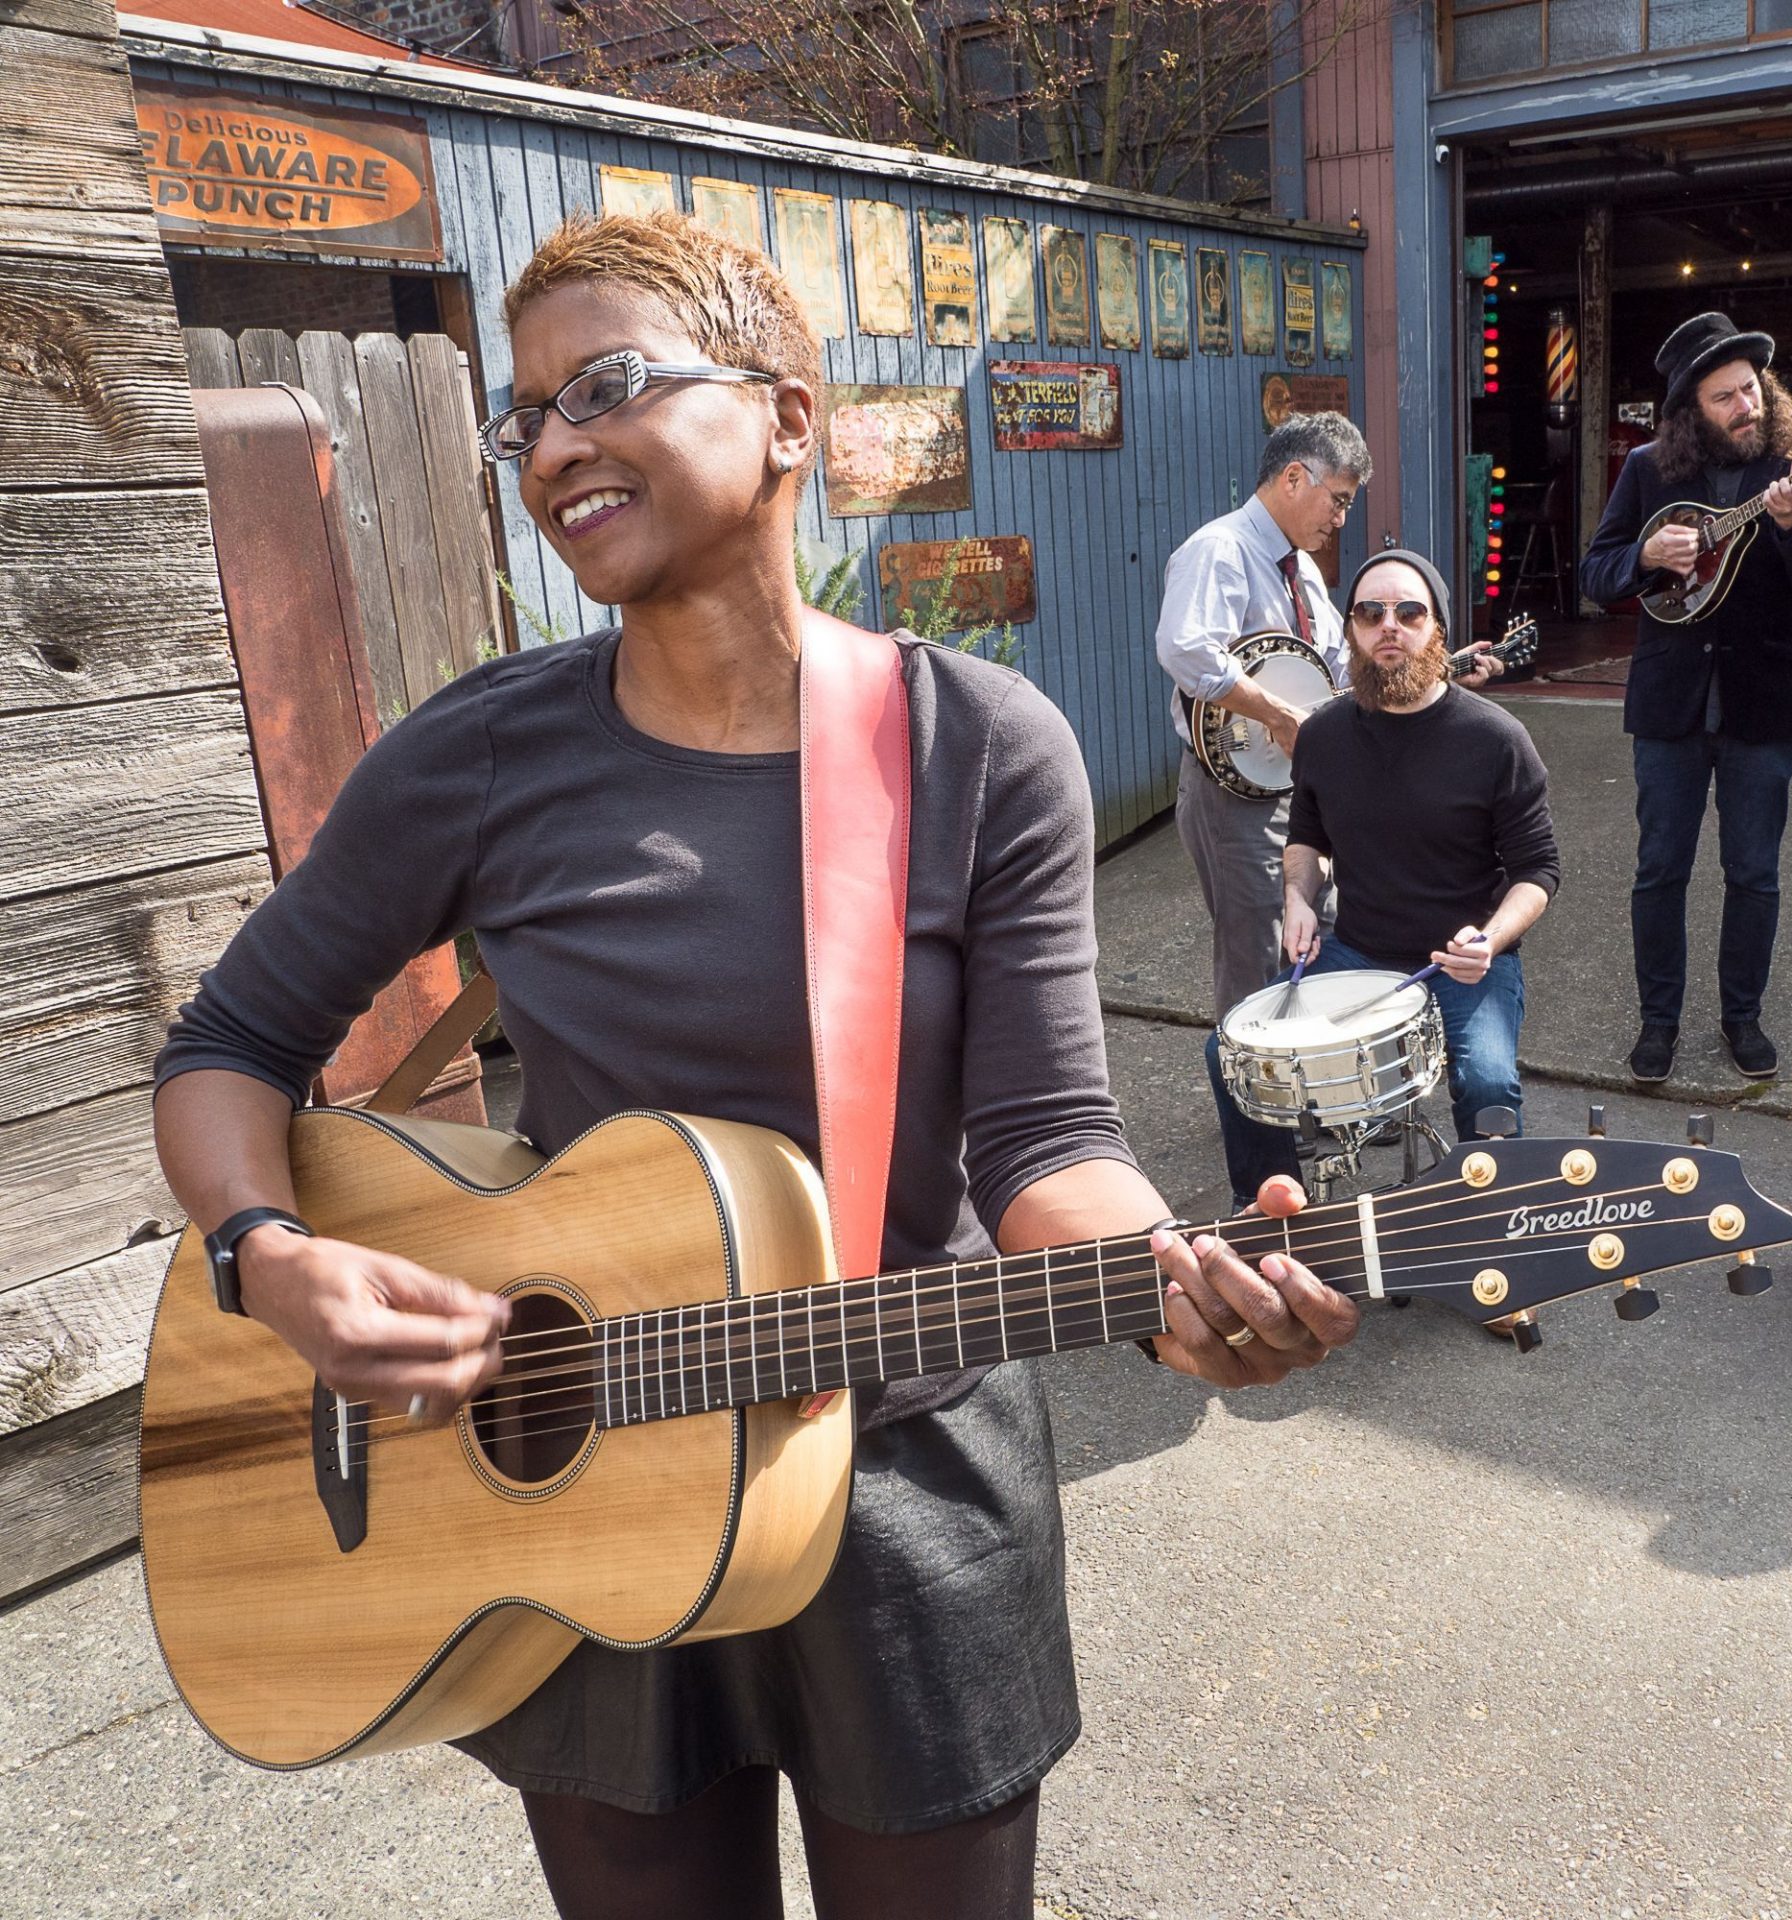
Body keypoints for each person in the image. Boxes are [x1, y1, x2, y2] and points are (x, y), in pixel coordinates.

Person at [149, 209, 1357, 1920]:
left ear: (788, 415)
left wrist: (1160, 1278)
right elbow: (231, 1047)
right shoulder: (479, 756)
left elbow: (1040, 1139)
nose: (557, 442)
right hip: (564, 1482)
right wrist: (263, 1260)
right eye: (532, 416)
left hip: (906, 1481)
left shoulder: (974, 743)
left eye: (612, 384)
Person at [1207, 549, 1560, 1210]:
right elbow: (1306, 836)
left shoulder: (1497, 740)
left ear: (1437, 631)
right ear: (1351, 632)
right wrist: (1298, 897)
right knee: (1231, 1056)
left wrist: (1489, 939)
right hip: (1357, 950)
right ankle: (1270, 1219)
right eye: (1371, 613)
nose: (1388, 626)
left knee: (1487, 1083)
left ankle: (1498, 1244)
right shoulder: (1323, 736)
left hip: (1465, 965)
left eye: (1409, 612)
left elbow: (1538, 870)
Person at [1582, 311, 1792, 1085]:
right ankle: (1657, 1022)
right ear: (1692, 412)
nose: (1747, 406)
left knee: (1754, 872)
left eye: (1752, 389)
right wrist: (1642, 555)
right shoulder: (1647, 474)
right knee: (1659, 869)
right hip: (1671, 703)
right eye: (1726, 396)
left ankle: (1743, 1017)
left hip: (1762, 702)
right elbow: (1595, 576)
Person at [1155, 412, 1367, 1022]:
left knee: (1314, 931)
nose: (1341, 519)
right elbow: (1186, 648)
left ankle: (1301, 1085)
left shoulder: (1300, 568)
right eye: (1339, 500)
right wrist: (1276, 713)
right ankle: (1251, 1108)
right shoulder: (1221, 550)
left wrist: (1421, 671)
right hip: (1234, 798)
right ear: (1295, 477)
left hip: (1294, 787)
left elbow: (1333, 671)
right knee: (1255, 954)